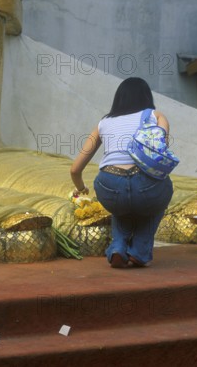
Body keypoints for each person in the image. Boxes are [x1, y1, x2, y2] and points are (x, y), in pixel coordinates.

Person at [70, 77, 174, 268]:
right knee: (162, 191)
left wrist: (81, 188)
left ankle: (118, 247)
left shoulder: (103, 123)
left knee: (121, 203)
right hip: (145, 185)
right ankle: (139, 252)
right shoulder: (156, 116)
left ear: (118, 99)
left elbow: (75, 169)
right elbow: (161, 151)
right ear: (146, 97)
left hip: (108, 184)